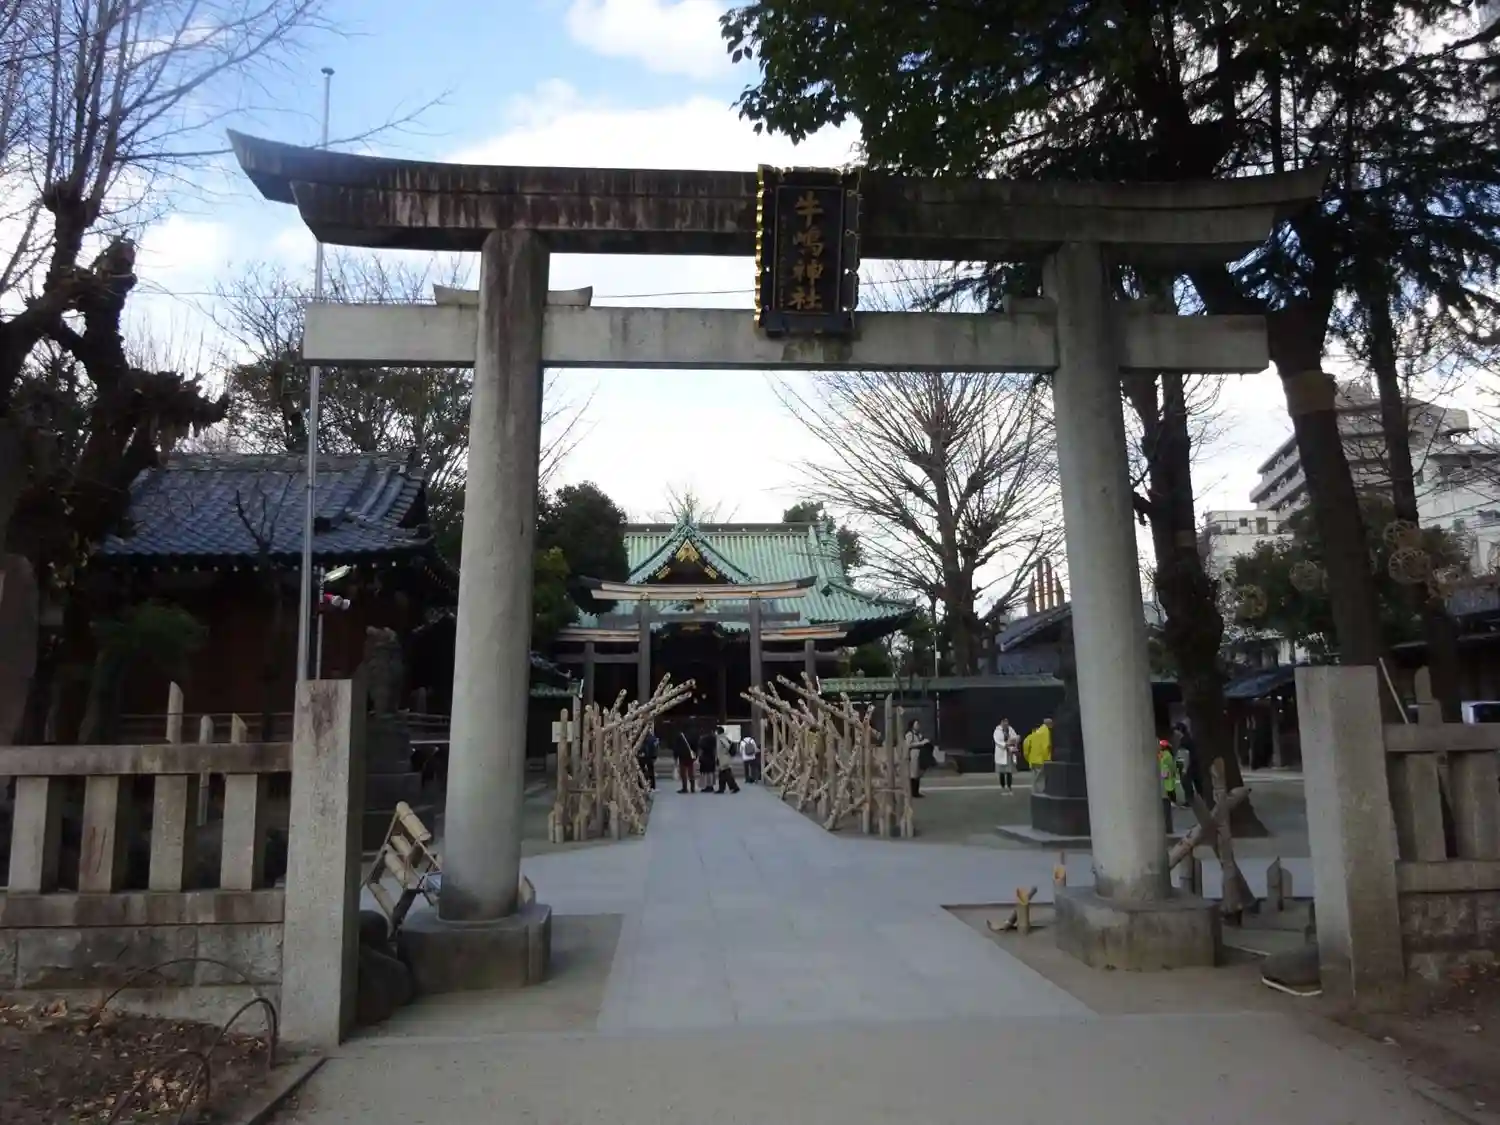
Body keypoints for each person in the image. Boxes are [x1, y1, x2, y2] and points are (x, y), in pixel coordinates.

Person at [905, 719, 932, 799]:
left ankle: (916, 791)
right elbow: (909, 744)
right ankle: (913, 792)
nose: (918, 726)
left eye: (918, 724)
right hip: (913, 754)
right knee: (913, 774)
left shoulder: (919, 734)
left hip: (919, 755)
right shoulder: (910, 734)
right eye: (916, 724)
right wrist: (921, 743)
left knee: (918, 774)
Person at [1172, 721, 1196, 808]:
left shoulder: (1184, 740)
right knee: (1187, 781)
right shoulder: (1186, 739)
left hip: (1188, 761)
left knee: (1186, 780)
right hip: (1189, 761)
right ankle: (1190, 799)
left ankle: (1190, 799)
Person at [1157, 738, 1179, 833]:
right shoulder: (1169, 755)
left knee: (1165, 804)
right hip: (1169, 782)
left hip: (1164, 782)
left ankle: (1167, 829)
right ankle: (1169, 828)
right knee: (1167, 803)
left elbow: (1164, 769)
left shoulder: (1163, 756)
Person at [993, 717, 1019, 793]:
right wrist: (1006, 744)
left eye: (1007, 722)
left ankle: (1009, 786)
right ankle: (1003, 786)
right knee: (1001, 772)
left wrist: (1015, 739)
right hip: (1001, 752)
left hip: (1009, 753)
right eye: (1004, 722)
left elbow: (1015, 737)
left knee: (1009, 771)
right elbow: (997, 741)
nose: (1006, 724)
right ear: (1001, 722)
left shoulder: (1010, 729)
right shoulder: (997, 731)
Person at [715, 725, 741, 793]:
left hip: (724, 758)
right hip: (722, 758)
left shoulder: (721, 738)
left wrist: (725, 752)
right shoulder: (722, 737)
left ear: (718, 731)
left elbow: (727, 746)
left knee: (727, 774)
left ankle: (734, 787)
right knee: (722, 774)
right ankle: (722, 788)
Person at [637, 725, 659, 791]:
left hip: (644, 756)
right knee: (649, 771)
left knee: (644, 771)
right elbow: (655, 747)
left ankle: (643, 785)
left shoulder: (644, 737)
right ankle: (652, 786)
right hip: (648, 756)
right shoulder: (652, 738)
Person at [696, 729, 717, 795]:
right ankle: (711, 785)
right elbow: (715, 749)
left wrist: (698, 757)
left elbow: (700, 749)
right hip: (712, 757)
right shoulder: (714, 739)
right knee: (711, 772)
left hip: (705, 757)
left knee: (706, 772)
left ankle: (707, 785)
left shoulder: (702, 740)